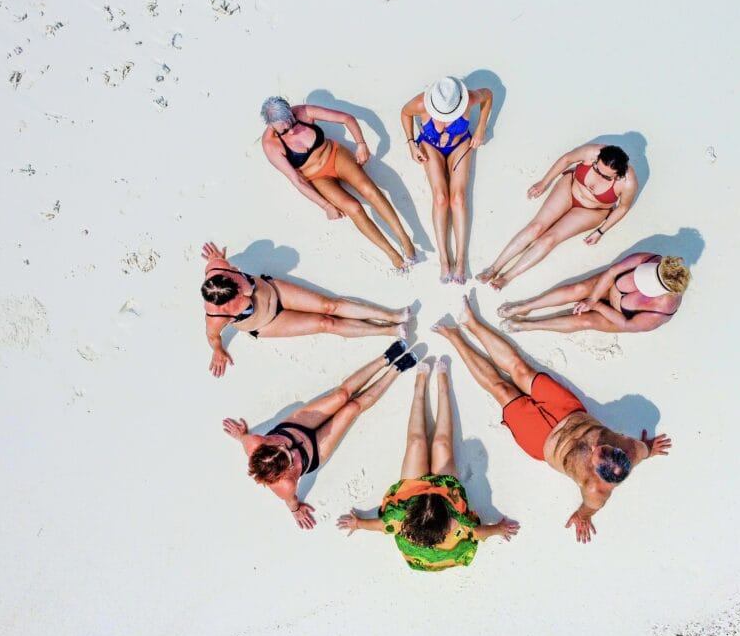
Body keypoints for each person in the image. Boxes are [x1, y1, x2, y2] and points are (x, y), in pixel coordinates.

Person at [432, 295, 671, 543]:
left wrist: (583, 517)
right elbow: (644, 451)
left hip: (543, 441)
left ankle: (454, 337)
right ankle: (471, 322)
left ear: (599, 474)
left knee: (501, 389)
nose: (593, 445)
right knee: (520, 368)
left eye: (594, 454)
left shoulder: (595, 491)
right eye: (603, 445)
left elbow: (589, 508)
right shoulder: (634, 449)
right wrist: (651, 449)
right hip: (567, 410)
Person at [336, 357, 519, 570]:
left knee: (416, 443)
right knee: (441, 444)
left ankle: (419, 387)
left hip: (413, 497)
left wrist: (357, 523)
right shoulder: (456, 526)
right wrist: (499, 529)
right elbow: (478, 533)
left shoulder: (401, 521)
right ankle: (443, 385)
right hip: (444, 498)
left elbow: (380, 525)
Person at [222, 341, 418, 529]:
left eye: (280, 446)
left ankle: (385, 358)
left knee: (341, 395)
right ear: (284, 473)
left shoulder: (253, 442)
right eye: (290, 457)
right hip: (314, 452)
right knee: (352, 408)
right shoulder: (286, 486)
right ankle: (396, 369)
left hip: (296, 426)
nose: (289, 447)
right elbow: (291, 501)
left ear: (266, 444)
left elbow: (244, 439)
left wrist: (240, 435)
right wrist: (296, 510)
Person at [201, 241, 411, 377]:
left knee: (330, 305)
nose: (245, 291)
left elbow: (216, 261)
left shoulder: (218, 267)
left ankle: (391, 315)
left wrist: (216, 257)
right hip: (267, 323)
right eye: (239, 293)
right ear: (225, 302)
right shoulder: (217, 316)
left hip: (274, 291)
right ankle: (387, 330)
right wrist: (218, 351)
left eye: (236, 279)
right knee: (326, 323)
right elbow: (213, 336)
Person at [260, 97, 417, 272]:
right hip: (318, 176)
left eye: (291, 123)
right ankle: (391, 253)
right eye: (283, 130)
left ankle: (404, 239)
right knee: (354, 208)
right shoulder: (270, 145)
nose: (290, 131)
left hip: (335, 155)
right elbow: (297, 181)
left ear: (290, 111)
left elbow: (347, 118)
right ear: (271, 125)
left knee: (369, 190)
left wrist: (361, 144)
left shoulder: (304, 112)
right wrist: (326, 206)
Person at [477, 143, 638, 290]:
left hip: (593, 210)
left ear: (618, 175)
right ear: (597, 159)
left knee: (549, 239)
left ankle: (507, 277)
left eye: (606, 177)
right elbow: (567, 159)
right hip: (570, 188)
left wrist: (600, 231)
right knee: (536, 227)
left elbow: (623, 208)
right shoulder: (592, 152)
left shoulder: (628, 182)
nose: (599, 175)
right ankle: (493, 268)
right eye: (597, 169)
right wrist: (544, 182)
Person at [400, 76, 494, 284]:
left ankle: (460, 260)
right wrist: (410, 143)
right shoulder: (420, 104)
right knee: (441, 198)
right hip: (430, 145)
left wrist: (480, 128)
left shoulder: (468, 99)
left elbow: (488, 95)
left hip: (460, 145)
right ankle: (444, 258)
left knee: (458, 199)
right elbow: (405, 113)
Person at [497, 253, 690, 333]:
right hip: (609, 288)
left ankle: (528, 326)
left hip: (620, 316)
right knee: (578, 289)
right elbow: (613, 272)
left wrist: (595, 306)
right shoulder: (648, 259)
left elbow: (626, 324)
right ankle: (525, 307)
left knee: (585, 321)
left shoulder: (660, 311)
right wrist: (591, 298)